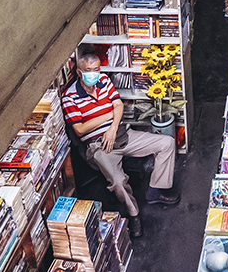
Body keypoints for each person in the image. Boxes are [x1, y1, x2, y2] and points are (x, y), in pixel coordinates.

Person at [62, 53, 179, 238]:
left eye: (96, 70)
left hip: (121, 134)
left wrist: (113, 126)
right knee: (118, 182)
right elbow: (80, 129)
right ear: (79, 72)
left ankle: (156, 190)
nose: (94, 74)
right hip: (99, 145)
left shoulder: (104, 81)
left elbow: (118, 105)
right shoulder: (70, 97)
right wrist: (108, 117)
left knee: (167, 143)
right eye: (88, 71)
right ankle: (134, 215)